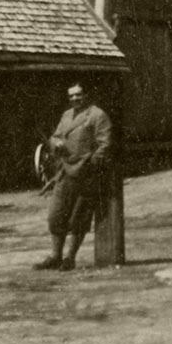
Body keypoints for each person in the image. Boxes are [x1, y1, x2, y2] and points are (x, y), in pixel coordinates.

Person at [36, 83, 112, 271]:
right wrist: (56, 143)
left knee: (78, 218)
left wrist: (90, 165)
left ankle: (70, 258)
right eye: (71, 96)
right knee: (55, 215)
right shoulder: (66, 115)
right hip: (64, 171)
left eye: (78, 95)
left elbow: (105, 144)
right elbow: (55, 136)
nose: (75, 99)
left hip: (85, 174)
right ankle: (55, 256)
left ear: (86, 95)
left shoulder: (97, 115)